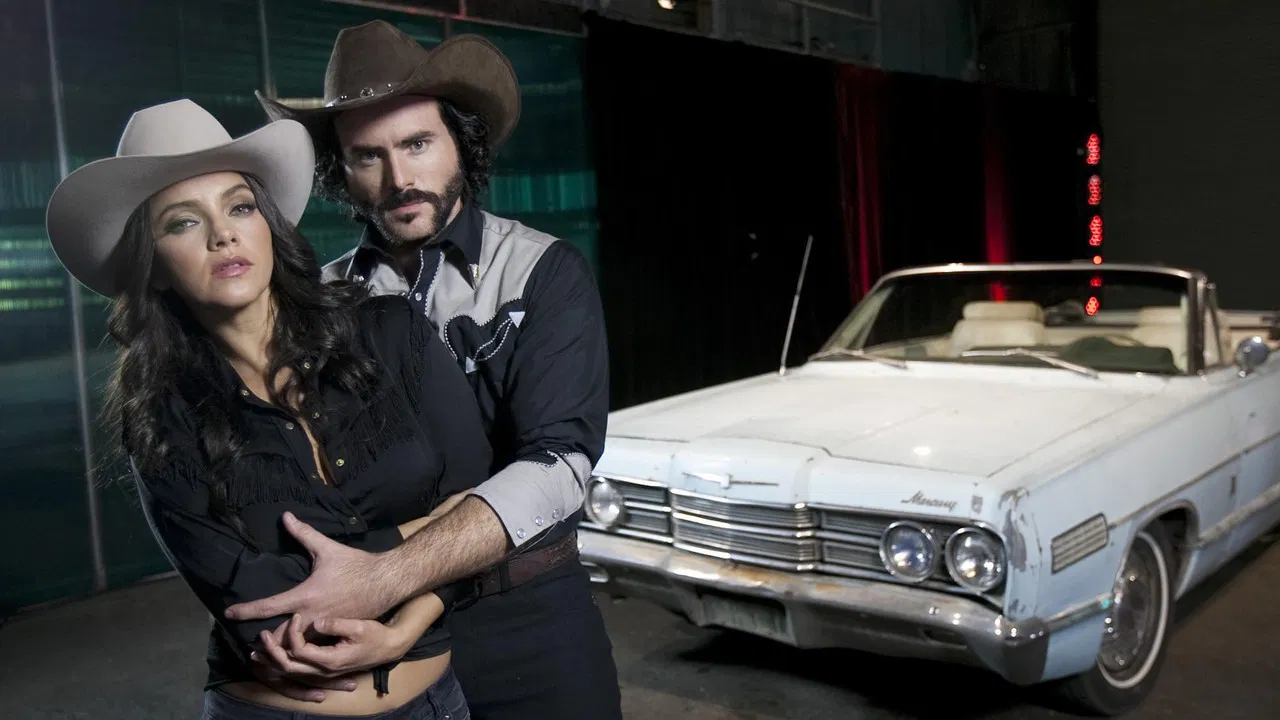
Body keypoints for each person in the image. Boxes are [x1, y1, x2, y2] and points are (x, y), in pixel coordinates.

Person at [44, 98, 493, 719]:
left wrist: (405, 627)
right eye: (183, 222)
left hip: (438, 704)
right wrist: (420, 542)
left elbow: (483, 510)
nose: (223, 234)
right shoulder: (162, 415)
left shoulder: (393, 332)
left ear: (268, 225)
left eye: (239, 207)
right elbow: (251, 603)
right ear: (157, 269)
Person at [226, 21, 623, 720]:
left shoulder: (543, 272)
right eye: (367, 156)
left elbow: (560, 466)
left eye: (417, 144)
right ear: (340, 170)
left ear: (460, 144)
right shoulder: (316, 304)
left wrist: (389, 575)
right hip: (375, 633)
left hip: (530, 618)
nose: (400, 179)